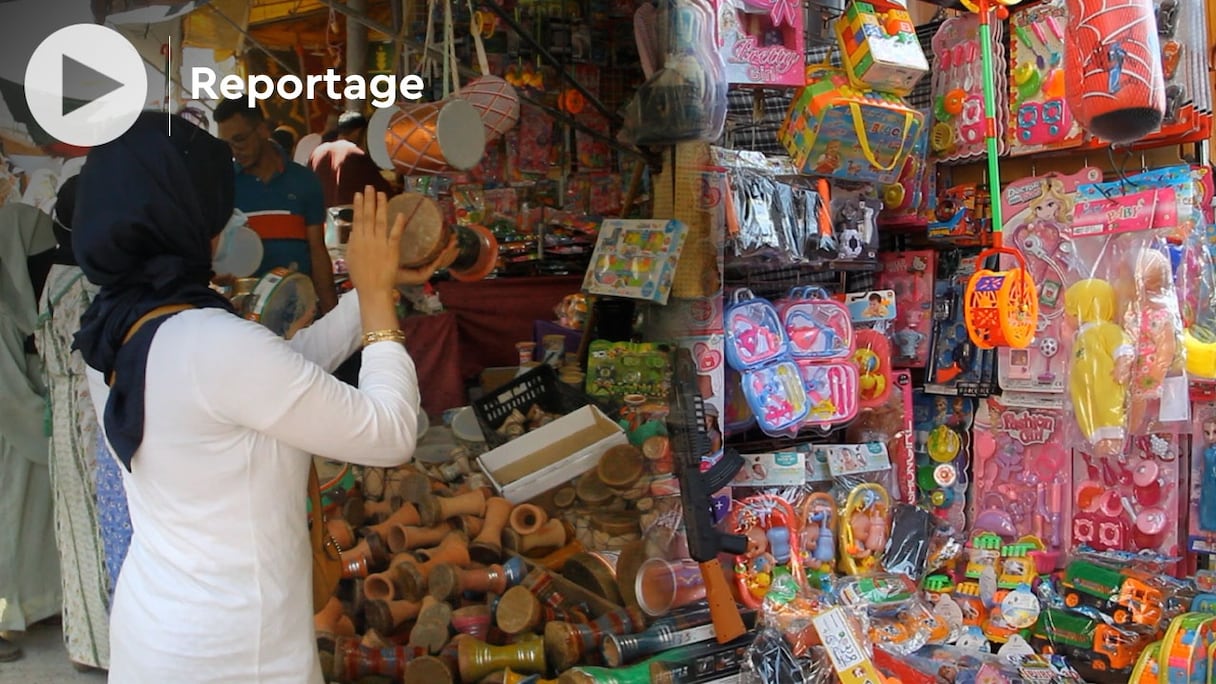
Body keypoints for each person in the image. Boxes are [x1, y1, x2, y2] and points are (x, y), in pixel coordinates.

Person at [71, 111, 456, 682]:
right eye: (216, 204)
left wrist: (374, 290)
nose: (232, 218)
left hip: (160, 630)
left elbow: (278, 378)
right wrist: (375, 306)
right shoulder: (211, 343)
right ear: (179, 217)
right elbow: (391, 432)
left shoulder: (118, 326)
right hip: (236, 650)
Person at [33, 175, 113, 671]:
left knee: (79, 522)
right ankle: (105, 645)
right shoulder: (88, 278)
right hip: (90, 411)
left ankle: (87, 643)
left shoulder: (54, 273)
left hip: (66, 409)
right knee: (99, 521)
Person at [0, 202, 62, 663]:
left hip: (25, 412)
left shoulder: (18, 305)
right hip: (12, 420)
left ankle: (38, 604)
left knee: (32, 517)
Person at [213, 99, 339, 314]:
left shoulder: (304, 182)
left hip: (299, 312)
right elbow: (211, 253)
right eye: (227, 145)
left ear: (262, 130)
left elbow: (317, 250)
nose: (235, 151)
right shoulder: (222, 187)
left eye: (240, 140)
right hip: (244, 318)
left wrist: (332, 314)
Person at [308, 111, 393, 209]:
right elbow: (383, 193)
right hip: (348, 218)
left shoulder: (318, 151)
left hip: (321, 217)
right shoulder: (354, 153)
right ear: (359, 132)